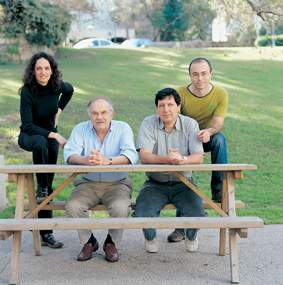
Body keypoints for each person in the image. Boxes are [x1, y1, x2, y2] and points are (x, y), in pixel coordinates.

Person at [64, 97, 138, 262]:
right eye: (95, 113)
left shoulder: (123, 128)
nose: (99, 117)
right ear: (89, 115)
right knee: (73, 206)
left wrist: (107, 161)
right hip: (88, 183)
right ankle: (89, 242)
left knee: (120, 207)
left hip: (117, 183)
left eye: (104, 112)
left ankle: (111, 242)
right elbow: (69, 154)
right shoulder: (80, 129)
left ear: (111, 113)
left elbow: (131, 154)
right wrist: (85, 160)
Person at [134, 88, 205, 253]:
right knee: (142, 213)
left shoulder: (190, 124)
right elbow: (145, 156)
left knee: (197, 213)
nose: (166, 109)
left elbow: (198, 156)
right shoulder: (148, 123)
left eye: (170, 105)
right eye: (161, 105)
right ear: (157, 108)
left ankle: (192, 236)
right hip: (155, 183)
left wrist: (183, 160)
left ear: (179, 106)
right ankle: (150, 238)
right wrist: (168, 159)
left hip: (184, 182)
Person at [168, 57, 228, 243]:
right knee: (185, 175)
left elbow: (218, 123)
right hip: (185, 138)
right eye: (195, 74)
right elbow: (172, 118)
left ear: (210, 74)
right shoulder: (180, 93)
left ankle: (219, 190)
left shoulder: (220, 93)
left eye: (203, 74)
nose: (200, 78)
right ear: (190, 76)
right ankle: (180, 228)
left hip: (207, 136)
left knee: (220, 140)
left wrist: (208, 131)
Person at [18, 51, 73, 248]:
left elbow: (70, 90)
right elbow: (28, 125)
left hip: (48, 136)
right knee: (42, 143)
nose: (43, 72)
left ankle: (46, 233)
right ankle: (42, 190)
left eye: (46, 68)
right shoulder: (27, 91)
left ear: (52, 70)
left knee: (47, 184)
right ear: (33, 71)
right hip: (29, 136)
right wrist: (55, 134)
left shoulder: (56, 86)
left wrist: (59, 110)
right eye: (39, 68)